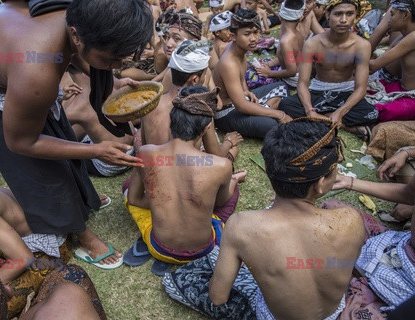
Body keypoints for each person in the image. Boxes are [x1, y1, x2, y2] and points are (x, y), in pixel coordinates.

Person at [0, 0, 153, 268]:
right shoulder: (37, 72)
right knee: (41, 170)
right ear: (77, 35)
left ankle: (83, 200)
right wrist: (96, 150)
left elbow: (74, 50)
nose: (117, 64)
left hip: (17, 64)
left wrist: (112, 80)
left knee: (61, 136)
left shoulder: (81, 16)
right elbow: (23, 142)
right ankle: (81, 235)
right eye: (112, 59)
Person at [163, 117, 367, 319]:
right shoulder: (352, 219)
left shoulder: (242, 227)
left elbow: (217, 298)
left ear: (270, 172)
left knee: (178, 278)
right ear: (321, 183)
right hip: (333, 313)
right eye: (334, 171)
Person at [125, 88, 247, 275]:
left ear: (171, 121)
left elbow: (133, 199)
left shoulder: (146, 152)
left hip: (159, 247)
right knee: (231, 188)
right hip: (203, 250)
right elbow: (220, 203)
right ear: (207, 128)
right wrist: (233, 179)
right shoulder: (221, 165)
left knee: (128, 186)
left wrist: (161, 200)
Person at [278, 0, 378, 141]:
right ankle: (343, 125)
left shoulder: (362, 45)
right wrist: (309, 110)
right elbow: (302, 83)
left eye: (349, 14)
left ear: (355, 15)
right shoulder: (313, 43)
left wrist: (340, 112)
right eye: (338, 14)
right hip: (318, 90)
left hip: (346, 91)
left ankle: (322, 118)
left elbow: (361, 88)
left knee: (372, 113)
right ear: (328, 15)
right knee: (286, 105)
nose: (343, 20)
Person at [332, 149, 415, 312]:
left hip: (407, 286)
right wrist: (349, 182)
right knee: (334, 212)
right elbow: (408, 193)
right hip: (400, 246)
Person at [212, 9, 291, 139]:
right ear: (233, 37)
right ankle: (267, 110)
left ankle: (264, 109)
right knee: (272, 125)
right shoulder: (229, 63)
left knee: (281, 87)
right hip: (227, 113)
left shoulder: (241, 51)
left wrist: (246, 91)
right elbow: (241, 105)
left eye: (255, 32)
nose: (254, 38)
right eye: (247, 34)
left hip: (239, 101)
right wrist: (279, 114)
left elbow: (241, 79)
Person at [366, 0, 415, 122]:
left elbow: (372, 67)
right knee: (354, 92)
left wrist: (341, 59)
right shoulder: (404, 35)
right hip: (398, 88)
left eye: (392, 15)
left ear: (406, 15)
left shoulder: (413, 37)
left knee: (374, 111)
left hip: (411, 97)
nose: (388, 19)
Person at [254, 0, 306, 89]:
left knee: (251, 76)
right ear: (300, 18)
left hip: (292, 80)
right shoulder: (297, 34)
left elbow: (292, 71)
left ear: (280, 17)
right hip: (297, 74)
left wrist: (269, 73)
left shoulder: (286, 41)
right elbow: (290, 58)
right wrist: (269, 64)